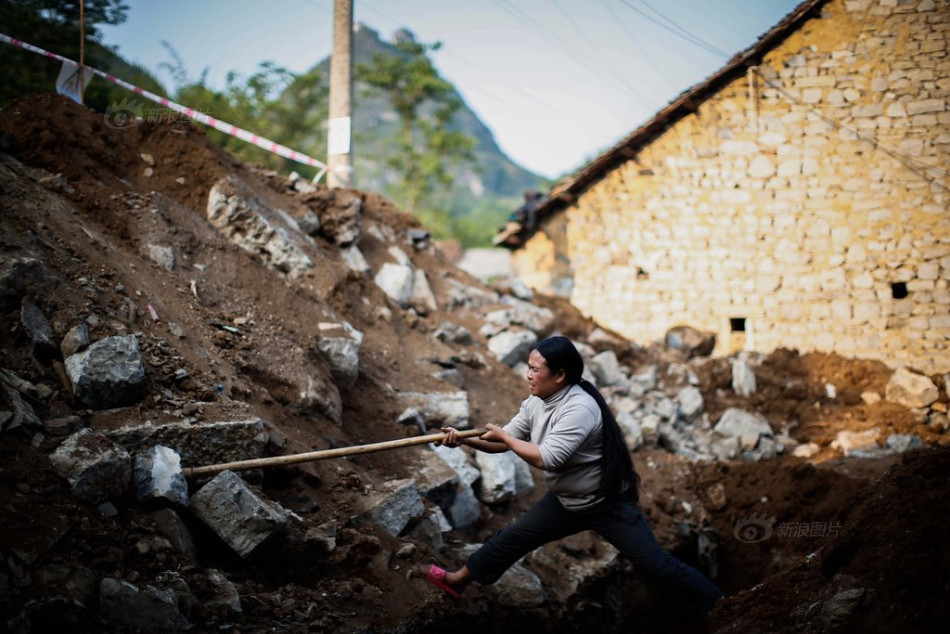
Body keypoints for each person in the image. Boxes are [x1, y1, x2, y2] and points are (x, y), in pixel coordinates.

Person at [423, 335, 723, 615]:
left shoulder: (580, 408)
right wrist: (462, 439)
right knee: (511, 539)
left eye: (534, 369)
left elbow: (548, 459)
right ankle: (457, 580)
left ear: (560, 375)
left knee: (656, 565)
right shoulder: (536, 402)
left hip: (606, 503)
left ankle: (721, 605)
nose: (528, 374)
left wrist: (505, 436)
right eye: (528, 367)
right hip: (567, 502)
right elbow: (499, 444)